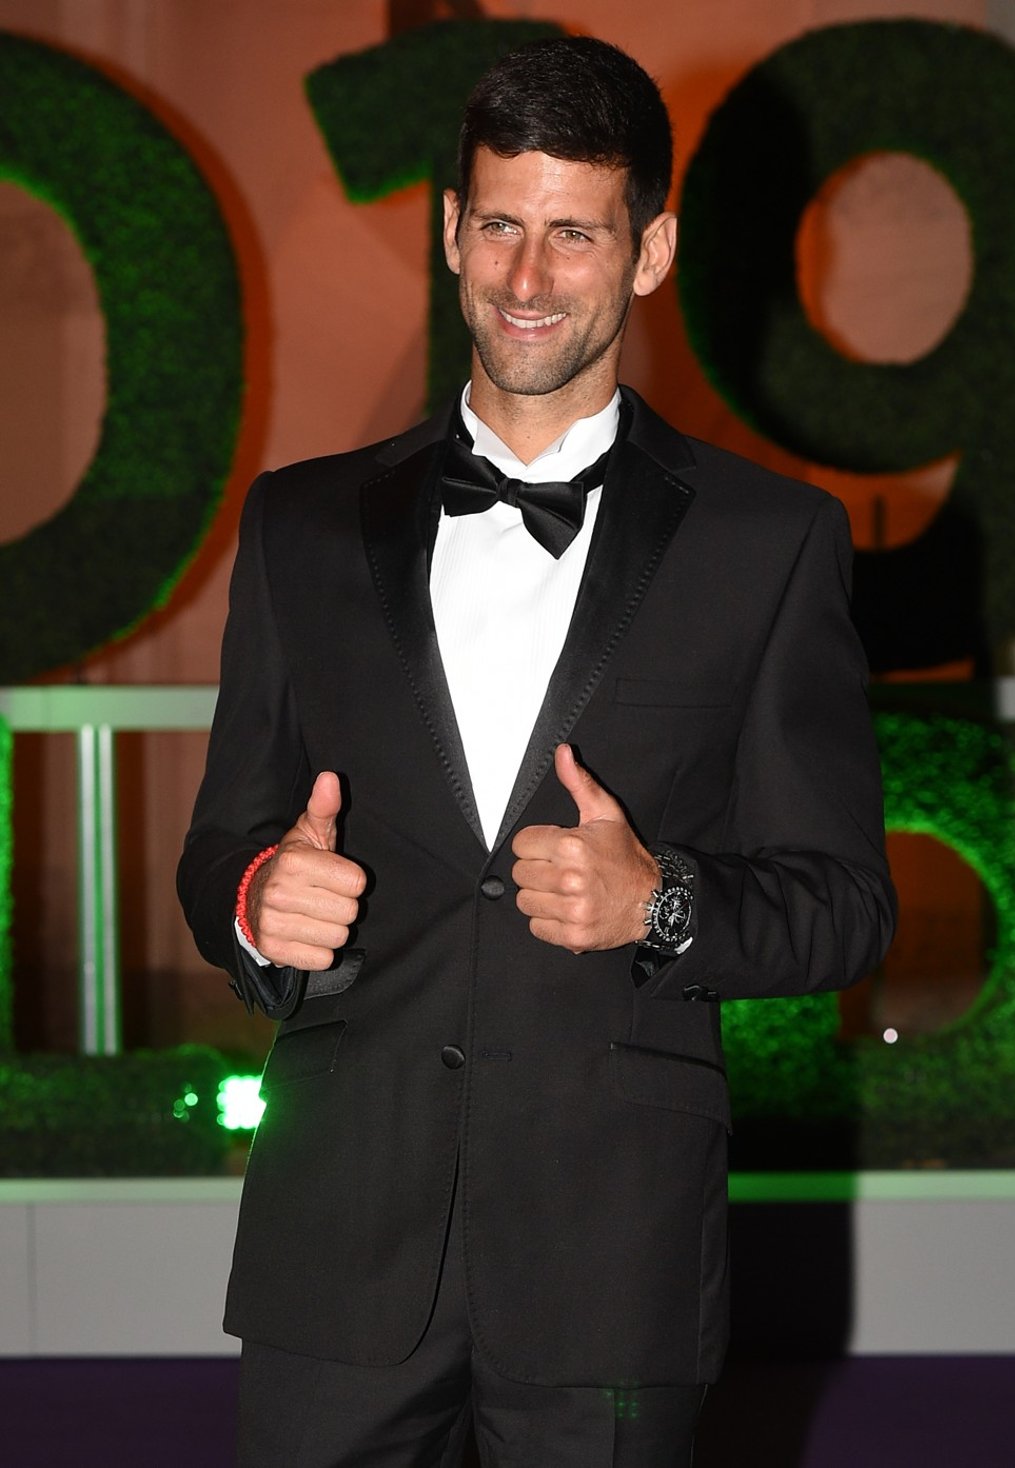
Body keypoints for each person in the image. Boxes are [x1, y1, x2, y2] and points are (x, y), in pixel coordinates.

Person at [178, 34, 895, 1468]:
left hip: (611, 1272)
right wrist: (259, 902)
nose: (525, 277)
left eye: (575, 232)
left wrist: (663, 905)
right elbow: (221, 850)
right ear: (450, 228)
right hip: (337, 1254)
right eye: (499, 222)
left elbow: (846, 904)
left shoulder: (773, 544)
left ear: (649, 252)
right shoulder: (298, 528)